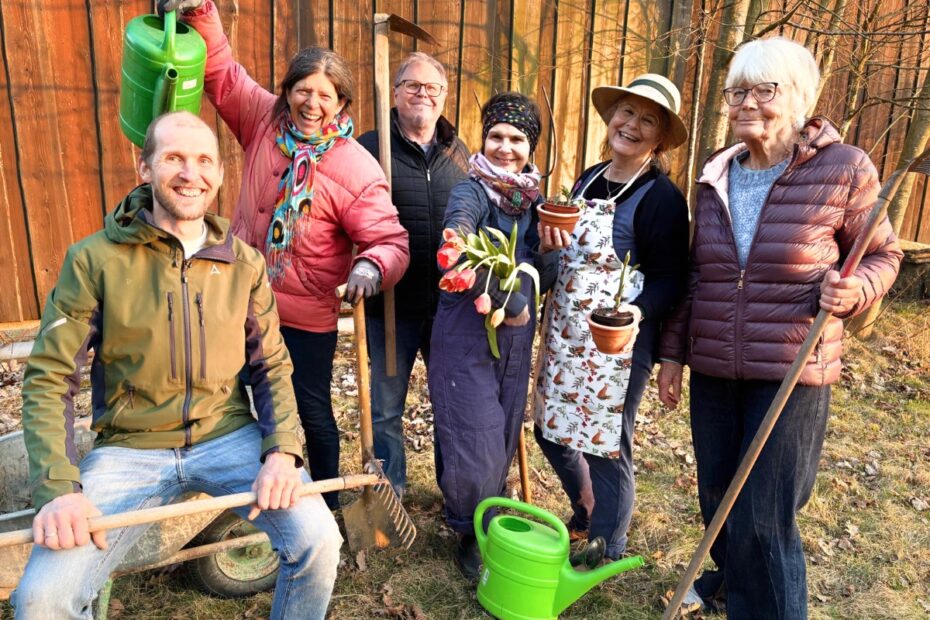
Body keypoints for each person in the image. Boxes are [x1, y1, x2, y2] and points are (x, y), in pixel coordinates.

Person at [11, 112, 341, 620]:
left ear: (219, 174)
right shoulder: (95, 260)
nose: (192, 173)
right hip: (129, 449)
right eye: (174, 159)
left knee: (319, 541)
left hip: (228, 436)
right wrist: (58, 488)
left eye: (204, 160)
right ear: (144, 168)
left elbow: (271, 366)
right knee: (40, 600)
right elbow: (50, 376)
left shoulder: (243, 263)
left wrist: (283, 452)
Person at [656, 37, 903, 618]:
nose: (746, 103)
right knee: (717, 498)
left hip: (791, 368)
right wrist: (672, 354)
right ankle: (732, 584)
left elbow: (882, 255)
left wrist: (855, 290)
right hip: (715, 364)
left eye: (763, 90)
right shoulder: (716, 172)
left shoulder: (844, 168)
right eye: (736, 91)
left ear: (796, 98)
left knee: (765, 517)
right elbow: (700, 273)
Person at [168, 0, 410, 510]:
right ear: (287, 91)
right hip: (237, 301)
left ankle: (325, 503)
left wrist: (370, 266)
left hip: (303, 318)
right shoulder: (263, 122)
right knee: (233, 402)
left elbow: (390, 240)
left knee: (308, 410)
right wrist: (199, 14)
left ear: (341, 101)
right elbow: (224, 76)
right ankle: (244, 493)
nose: (311, 102)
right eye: (303, 89)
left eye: (325, 94)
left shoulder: (354, 165)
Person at [531, 74, 690, 562]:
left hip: (618, 341)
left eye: (648, 120)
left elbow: (671, 279)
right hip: (564, 330)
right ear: (611, 118)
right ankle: (587, 508)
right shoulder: (588, 179)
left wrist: (633, 313)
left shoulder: (662, 199)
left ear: (660, 139)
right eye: (627, 112)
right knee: (549, 427)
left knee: (604, 442)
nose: (632, 125)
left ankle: (608, 545)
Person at [428, 92, 559, 578]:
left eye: (517, 139)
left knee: (502, 431)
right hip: (468, 329)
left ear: (531, 147)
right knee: (474, 433)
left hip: (515, 342)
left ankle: (479, 506)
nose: (505, 148)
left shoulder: (537, 201)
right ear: (483, 140)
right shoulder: (471, 192)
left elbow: (547, 269)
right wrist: (510, 300)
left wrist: (550, 251)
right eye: (496, 137)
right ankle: (470, 532)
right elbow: (457, 243)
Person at [357, 52, 469, 496]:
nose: (422, 94)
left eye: (432, 88)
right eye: (412, 85)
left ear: (443, 98)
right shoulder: (369, 148)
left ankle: (456, 491)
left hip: (449, 308)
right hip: (391, 306)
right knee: (385, 407)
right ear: (396, 91)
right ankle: (390, 491)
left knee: (451, 404)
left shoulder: (458, 153)